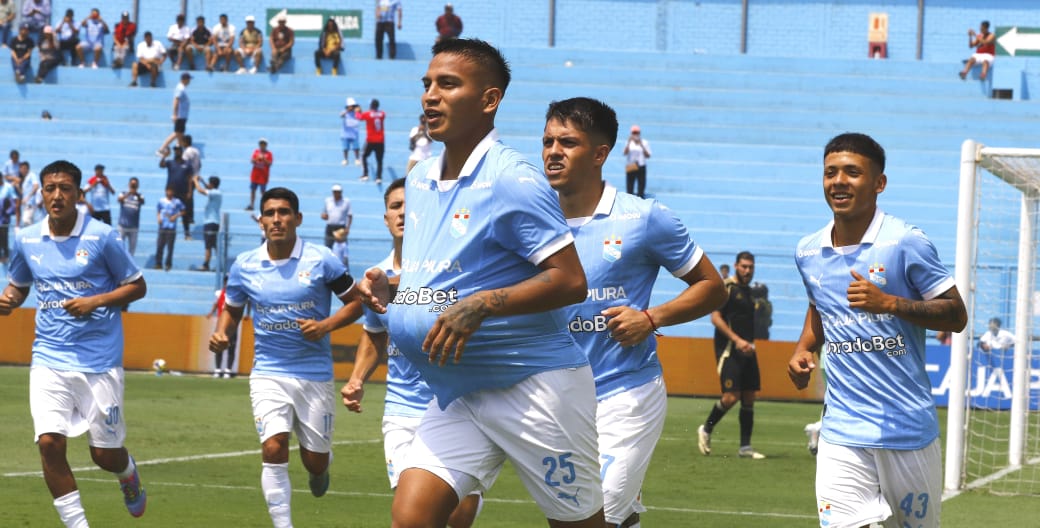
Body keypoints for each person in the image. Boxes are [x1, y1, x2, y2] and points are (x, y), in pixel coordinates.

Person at [360, 38, 605, 528]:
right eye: (427, 84)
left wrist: (484, 305)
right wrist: (398, 290)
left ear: (489, 99)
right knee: (411, 519)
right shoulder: (419, 179)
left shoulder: (513, 178)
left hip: (534, 388)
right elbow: (448, 277)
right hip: (459, 388)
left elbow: (570, 281)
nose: (431, 95)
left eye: (448, 84)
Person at [542, 96, 727, 528]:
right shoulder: (531, 219)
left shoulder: (643, 218)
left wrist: (651, 318)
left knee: (596, 515)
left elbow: (712, 287)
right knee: (592, 517)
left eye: (568, 142)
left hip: (625, 392)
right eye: (548, 141)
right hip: (557, 398)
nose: (553, 152)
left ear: (600, 154)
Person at [788, 132, 967, 528]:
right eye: (830, 173)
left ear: (878, 183)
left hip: (907, 429)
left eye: (852, 172)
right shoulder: (807, 250)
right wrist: (804, 348)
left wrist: (890, 304)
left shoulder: (905, 242)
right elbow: (819, 308)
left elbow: (956, 314)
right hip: (841, 430)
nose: (839, 181)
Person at [0, 159, 149, 526]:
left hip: (99, 361)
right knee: (49, 443)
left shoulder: (102, 236)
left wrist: (95, 301)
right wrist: (9, 300)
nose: (57, 196)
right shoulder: (27, 238)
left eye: (65, 189)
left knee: (104, 455)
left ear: (79, 194)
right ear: (41, 193)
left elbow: (137, 286)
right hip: (48, 357)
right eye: (50, 189)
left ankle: (127, 472)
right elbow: (19, 285)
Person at [208, 186, 362, 528]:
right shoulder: (245, 265)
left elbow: (357, 303)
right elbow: (232, 309)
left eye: (284, 212)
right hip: (268, 371)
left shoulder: (321, 259)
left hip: (314, 374)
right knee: (274, 448)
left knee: (314, 461)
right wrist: (222, 333)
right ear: (260, 221)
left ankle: (320, 469)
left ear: (298, 218)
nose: (276, 219)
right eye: (270, 213)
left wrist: (325, 326)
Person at [341, 178, 485, 527]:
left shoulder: (453, 269)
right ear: (386, 218)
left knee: (459, 517)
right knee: (412, 517)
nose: (404, 212)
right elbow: (375, 335)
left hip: (458, 406)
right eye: (396, 206)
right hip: (402, 411)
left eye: (412, 205)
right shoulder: (375, 277)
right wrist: (357, 379)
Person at [696, 251, 767, 459]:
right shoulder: (727, 287)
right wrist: (737, 340)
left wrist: (748, 343)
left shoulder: (750, 292)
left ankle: (745, 447)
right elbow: (715, 318)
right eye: (744, 266)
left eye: (751, 267)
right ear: (736, 266)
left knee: (749, 396)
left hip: (748, 350)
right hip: (729, 350)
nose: (747, 270)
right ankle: (706, 429)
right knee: (731, 396)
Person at [159, 145, 194, 240]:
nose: (176, 152)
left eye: (178, 150)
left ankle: (187, 233)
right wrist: (164, 156)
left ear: (181, 151)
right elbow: (161, 165)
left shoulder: (187, 164)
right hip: (171, 192)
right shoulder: (170, 162)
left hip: (183, 191)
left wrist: (190, 191)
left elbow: (190, 179)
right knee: (168, 211)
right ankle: (167, 232)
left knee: (184, 212)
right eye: (175, 150)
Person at [205, 274, 236, 378]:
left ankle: (228, 370)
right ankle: (218, 369)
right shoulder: (219, 293)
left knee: (231, 347)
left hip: (232, 323)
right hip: (220, 324)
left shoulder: (236, 293)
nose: (227, 283)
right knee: (218, 344)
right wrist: (211, 312)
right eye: (226, 281)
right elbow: (216, 304)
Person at [156, 72, 191, 156]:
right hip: (180, 115)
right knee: (177, 133)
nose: (189, 81)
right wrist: (174, 114)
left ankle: (180, 151)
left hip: (182, 116)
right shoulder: (180, 89)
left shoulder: (182, 88)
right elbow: (176, 100)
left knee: (180, 134)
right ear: (185, 80)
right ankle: (161, 149)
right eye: (189, 79)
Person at [193, 175, 221, 271]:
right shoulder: (215, 192)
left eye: (209, 183)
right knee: (213, 244)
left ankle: (206, 265)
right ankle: (219, 264)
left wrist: (195, 181)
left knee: (208, 245)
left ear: (212, 184)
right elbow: (207, 188)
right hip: (212, 222)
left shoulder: (215, 192)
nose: (208, 184)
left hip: (211, 222)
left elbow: (200, 190)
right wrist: (202, 181)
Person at [154, 186, 184, 270]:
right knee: (160, 245)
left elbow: (183, 211)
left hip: (171, 227)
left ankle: (168, 264)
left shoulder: (177, 201)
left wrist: (175, 216)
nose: (169, 193)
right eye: (168, 191)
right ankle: (158, 263)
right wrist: (158, 218)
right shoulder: (161, 201)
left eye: (171, 191)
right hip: (163, 226)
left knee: (170, 247)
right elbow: (158, 210)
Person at [359, 98, 386, 183]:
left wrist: (357, 111)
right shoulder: (382, 114)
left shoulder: (367, 114)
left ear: (371, 105)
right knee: (379, 160)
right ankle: (379, 177)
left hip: (370, 140)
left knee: (363, 156)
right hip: (380, 140)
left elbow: (359, 117)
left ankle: (365, 174)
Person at [622, 125, 651, 198]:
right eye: (634, 133)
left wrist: (642, 145)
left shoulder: (644, 142)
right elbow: (625, 153)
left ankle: (640, 200)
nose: (635, 135)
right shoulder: (628, 142)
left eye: (637, 133)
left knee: (641, 187)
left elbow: (648, 155)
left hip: (641, 165)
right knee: (629, 187)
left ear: (639, 133)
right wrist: (628, 143)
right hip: (631, 165)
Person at [116, 176, 143, 256]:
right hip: (122, 226)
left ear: (138, 186)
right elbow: (119, 200)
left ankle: (129, 262)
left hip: (134, 227)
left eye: (135, 185)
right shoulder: (123, 194)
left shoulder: (139, 196)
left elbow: (142, 201)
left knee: (132, 248)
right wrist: (129, 193)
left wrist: (135, 193)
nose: (133, 186)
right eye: (132, 184)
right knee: (119, 247)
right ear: (129, 185)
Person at [320, 183, 351, 249]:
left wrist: (348, 228)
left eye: (338, 192)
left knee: (342, 247)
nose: (336, 193)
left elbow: (350, 215)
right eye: (335, 192)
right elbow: (324, 213)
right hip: (330, 227)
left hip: (340, 227)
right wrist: (323, 216)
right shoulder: (328, 201)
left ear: (341, 192)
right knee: (328, 247)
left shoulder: (346, 202)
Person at [245, 138, 273, 211]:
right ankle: (251, 205)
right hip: (255, 175)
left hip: (263, 176)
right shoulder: (256, 152)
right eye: (261, 144)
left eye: (263, 144)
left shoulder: (269, 154)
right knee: (253, 190)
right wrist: (257, 158)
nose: (262, 145)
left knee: (263, 192)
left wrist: (264, 159)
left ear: (266, 145)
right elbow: (252, 161)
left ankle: (264, 206)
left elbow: (270, 163)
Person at [17, 160, 43, 228]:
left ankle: (31, 233)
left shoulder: (31, 175)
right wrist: (17, 187)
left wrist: (28, 197)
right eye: (21, 168)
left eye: (24, 168)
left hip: (31, 203)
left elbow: (36, 186)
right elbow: (23, 192)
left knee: (26, 220)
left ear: (27, 168)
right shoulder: (25, 179)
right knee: (28, 221)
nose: (22, 170)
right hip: (26, 204)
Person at [339, 97, 362, 165]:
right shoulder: (345, 112)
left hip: (354, 133)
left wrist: (359, 110)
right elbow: (341, 115)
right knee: (345, 148)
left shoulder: (356, 112)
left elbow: (361, 116)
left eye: (353, 106)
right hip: (346, 133)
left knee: (356, 147)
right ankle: (345, 159)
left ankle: (357, 159)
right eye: (351, 106)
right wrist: (347, 111)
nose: (352, 107)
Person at [0, 173, 16, 263]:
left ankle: (5, 255)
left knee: (4, 236)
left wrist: (7, 212)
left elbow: (13, 202)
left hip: (4, 218)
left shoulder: (8, 187)